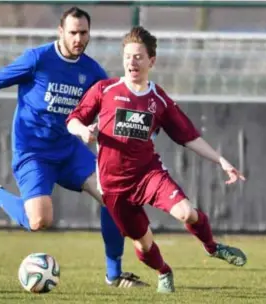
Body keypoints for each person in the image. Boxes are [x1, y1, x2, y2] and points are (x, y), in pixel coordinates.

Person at [0, 7, 148, 288]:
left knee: (115, 197)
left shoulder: (92, 71)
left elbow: (113, 105)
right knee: (39, 221)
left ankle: (114, 275)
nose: (79, 39)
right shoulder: (38, 59)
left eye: (84, 33)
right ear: (60, 32)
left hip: (69, 151)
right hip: (33, 153)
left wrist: (139, 123)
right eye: (73, 33)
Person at [66, 26, 247, 293]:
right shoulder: (105, 90)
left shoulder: (158, 100)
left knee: (187, 212)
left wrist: (221, 160)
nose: (132, 62)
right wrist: (83, 131)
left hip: (148, 175)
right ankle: (164, 271)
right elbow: (73, 120)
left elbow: (188, 136)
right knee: (143, 244)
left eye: (138, 56)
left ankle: (212, 247)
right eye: (128, 56)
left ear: (152, 61)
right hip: (113, 186)